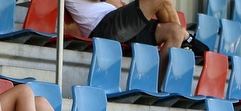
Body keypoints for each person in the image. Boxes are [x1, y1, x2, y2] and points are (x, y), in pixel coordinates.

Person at [64, 0, 193, 86]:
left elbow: (118, 7)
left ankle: (156, 87)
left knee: (175, 32)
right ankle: (188, 41)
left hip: (118, 24)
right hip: (102, 27)